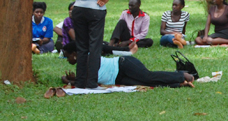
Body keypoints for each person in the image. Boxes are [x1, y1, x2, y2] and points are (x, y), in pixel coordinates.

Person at [61, 42, 194, 88]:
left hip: (123, 65)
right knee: (146, 84)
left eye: (68, 57)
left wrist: (70, 80)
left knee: (148, 77)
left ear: (74, 54)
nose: (68, 60)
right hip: (118, 78)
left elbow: (90, 79)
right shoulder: (82, 64)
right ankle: (179, 84)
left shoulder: (88, 59)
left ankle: (182, 75)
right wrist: (72, 80)